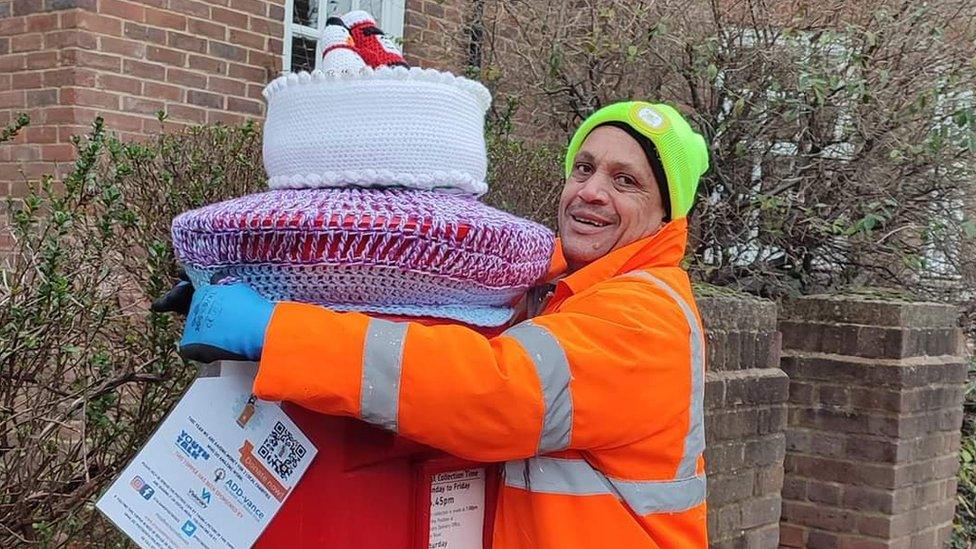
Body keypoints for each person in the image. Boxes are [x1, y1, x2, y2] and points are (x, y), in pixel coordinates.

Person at [157, 101, 711, 548]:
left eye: (626, 180)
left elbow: (496, 389)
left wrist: (276, 331)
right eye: (584, 168)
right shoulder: (564, 292)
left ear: (667, 214)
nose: (591, 190)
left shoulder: (646, 316)